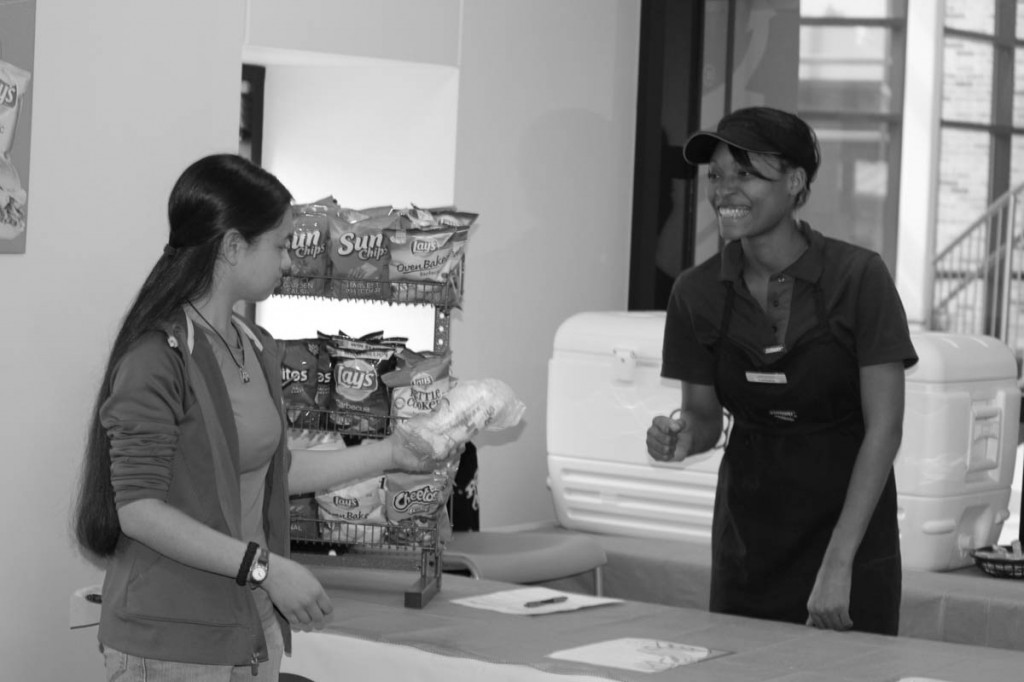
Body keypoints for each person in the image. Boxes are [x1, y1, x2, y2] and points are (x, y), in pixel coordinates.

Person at [74, 153, 450, 680]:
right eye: (280, 246)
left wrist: (390, 453)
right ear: (232, 246)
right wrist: (264, 568)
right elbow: (139, 510)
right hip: (171, 637)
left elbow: (274, 470)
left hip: (249, 623)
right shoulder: (157, 356)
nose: (290, 262)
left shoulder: (255, 345)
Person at [646, 107, 918, 636]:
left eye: (745, 174)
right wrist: (681, 437)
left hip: (850, 534)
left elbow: (885, 429)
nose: (725, 190)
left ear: (795, 183)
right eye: (716, 175)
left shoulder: (859, 278)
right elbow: (704, 416)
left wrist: (839, 564)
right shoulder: (695, 293)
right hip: (748, 539)